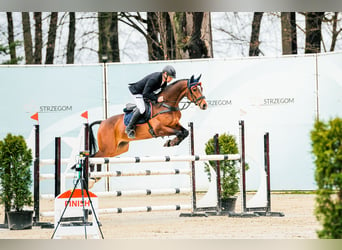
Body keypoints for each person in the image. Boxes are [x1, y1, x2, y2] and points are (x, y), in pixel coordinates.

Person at [125, 65, 176, 139]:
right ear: (165, 74)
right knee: (142, 109)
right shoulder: (154, 79)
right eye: (170, 77)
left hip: (145, 92)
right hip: (137, 92)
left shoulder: (164, 82)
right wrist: (156, 99)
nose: (171, 79)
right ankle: (129, 128)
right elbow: (145, 93)